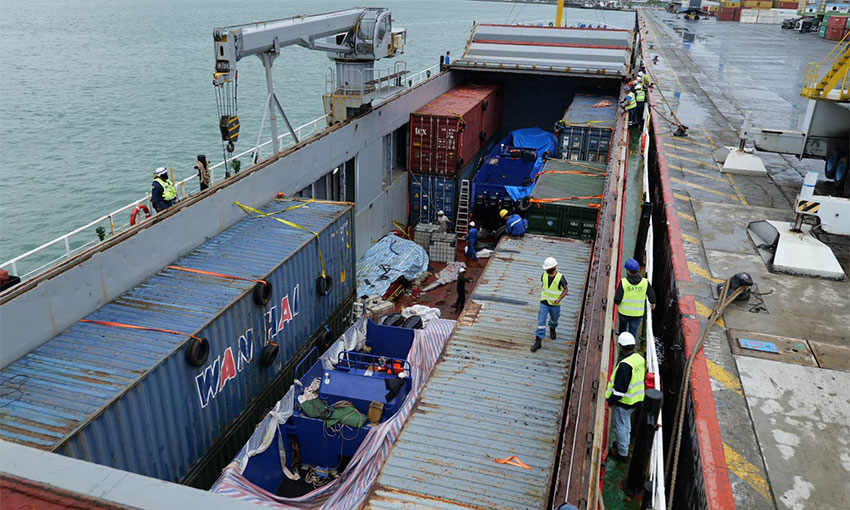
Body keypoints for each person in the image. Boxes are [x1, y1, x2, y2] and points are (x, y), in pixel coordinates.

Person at [605, 331, 646, 461]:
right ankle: (625, 445)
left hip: (625, 402)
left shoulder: (624, 366)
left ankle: (622, 453)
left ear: (621, 347)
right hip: (637, 399)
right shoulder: (639, 358)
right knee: (626, 424)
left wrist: (611, 401)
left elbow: (619, 390)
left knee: (620, 426)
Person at [614, 258, 656, 340]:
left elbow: (617, 299)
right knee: (633, 332)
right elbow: (651, 295)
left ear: (628, 270)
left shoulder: (623, 282)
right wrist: (653, 302)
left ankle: (622, 344)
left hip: (624, 313)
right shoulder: (645, 282)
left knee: (622, 330)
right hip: (637, 314)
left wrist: (618, 303)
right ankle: (631, 347)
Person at [532, 257, 568, 353]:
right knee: (541, 321)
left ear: (555, 267)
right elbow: (544, 286)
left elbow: (566, 289)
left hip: (555, 304)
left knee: (554, 319)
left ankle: (552, 328)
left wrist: (559, 298)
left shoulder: (560, 277)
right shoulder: (543, 275)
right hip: (544, 302)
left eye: (548, 269)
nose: (547, 270)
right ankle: (538, 340)